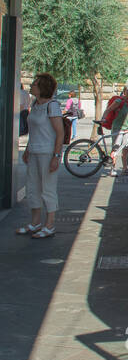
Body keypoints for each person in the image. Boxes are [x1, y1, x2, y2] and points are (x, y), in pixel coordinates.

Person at [16, 73, 64, 238]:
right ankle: (35, 223)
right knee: (32, 188)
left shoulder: (53, 106)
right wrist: (28, 149)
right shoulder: (35, 104)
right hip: (35, 151)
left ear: (42, 87)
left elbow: (60, 133)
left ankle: (49, 224)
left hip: (47, 152)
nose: (31, 86)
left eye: (34, 84)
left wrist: (56, 156)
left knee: (48, 189)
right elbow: (34, 131)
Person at [100, 84, 128, 175]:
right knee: (115, 149)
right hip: (118, 128)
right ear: (124, 92)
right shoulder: (118, 101)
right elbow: (108, 110)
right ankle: (113, 169)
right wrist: (103, 119)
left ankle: (125, 169)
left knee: (126, 149)